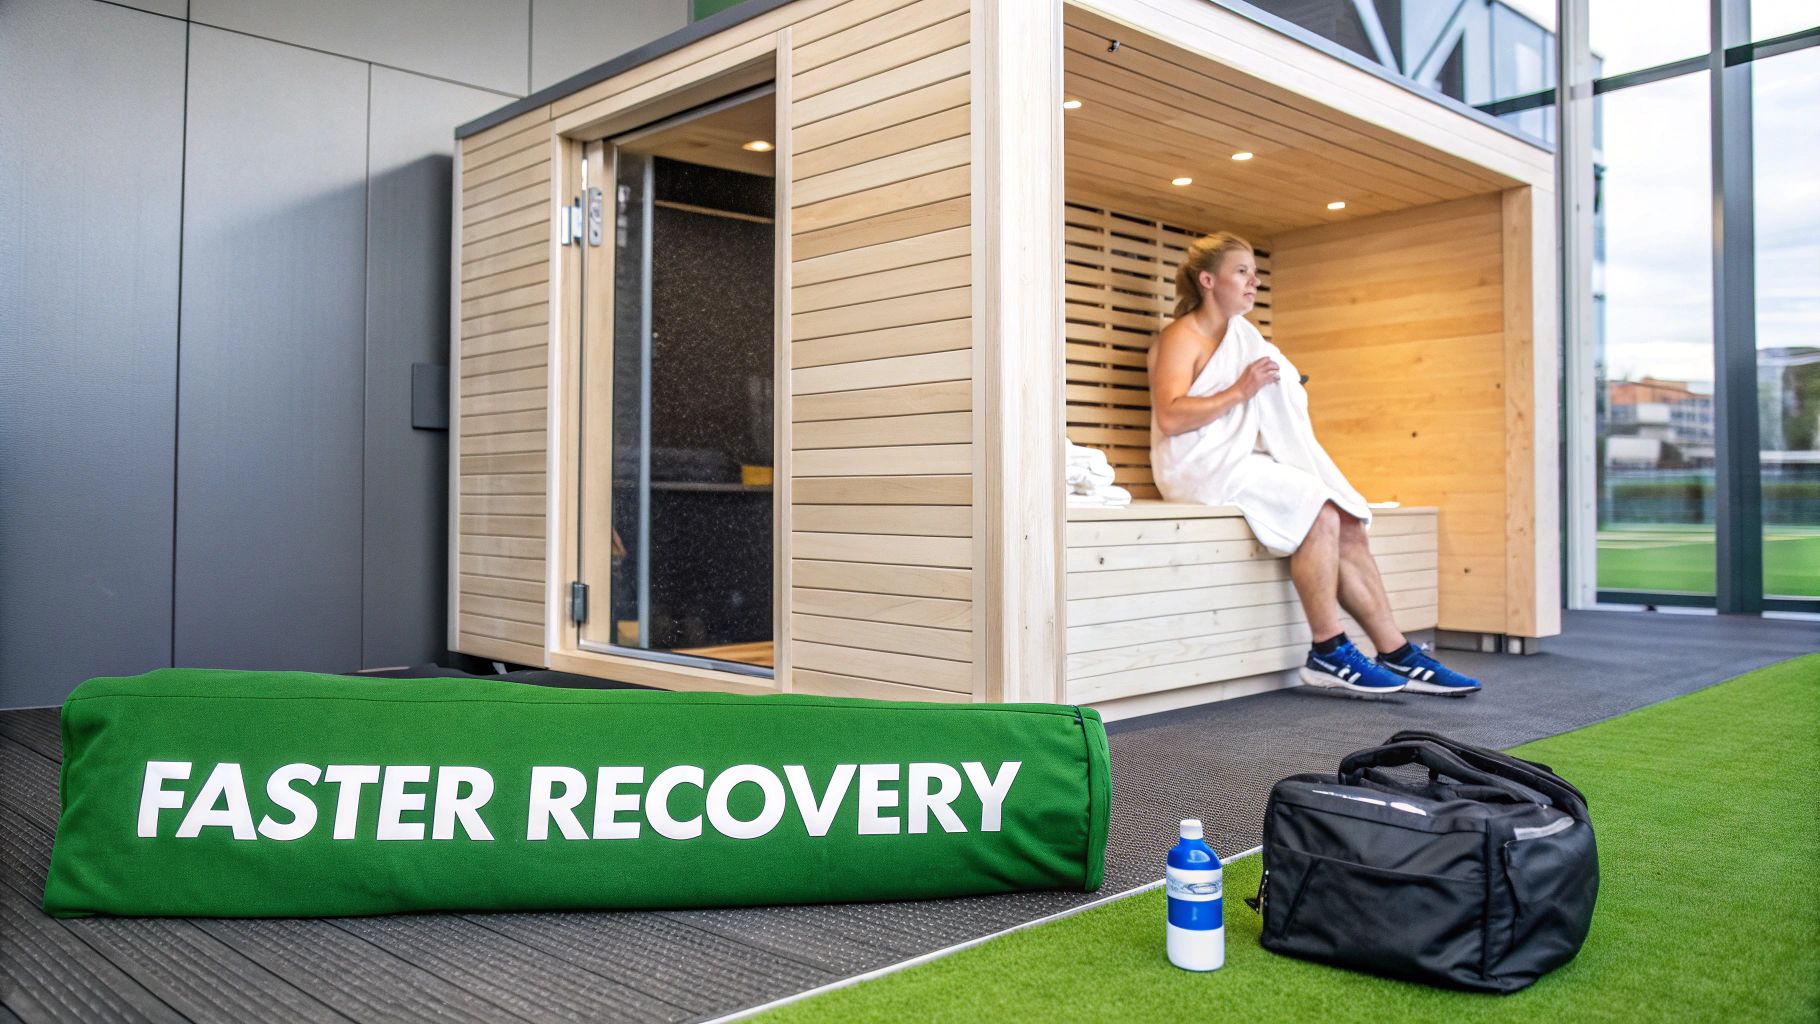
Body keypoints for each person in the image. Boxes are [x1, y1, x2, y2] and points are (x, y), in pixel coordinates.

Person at [1147, 232, 1479, 697]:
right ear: (1207, 280)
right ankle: (1328, 647)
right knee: (1316, 504)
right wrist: (1242, 390)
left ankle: (1397, 651)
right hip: (1198, 467)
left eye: (1254, 273)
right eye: (1241, 271)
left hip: (1240, 458)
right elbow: (1171, 415)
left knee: (1344, 515)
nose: (1253, 282)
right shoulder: (1183, 337)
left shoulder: (1245, 338)